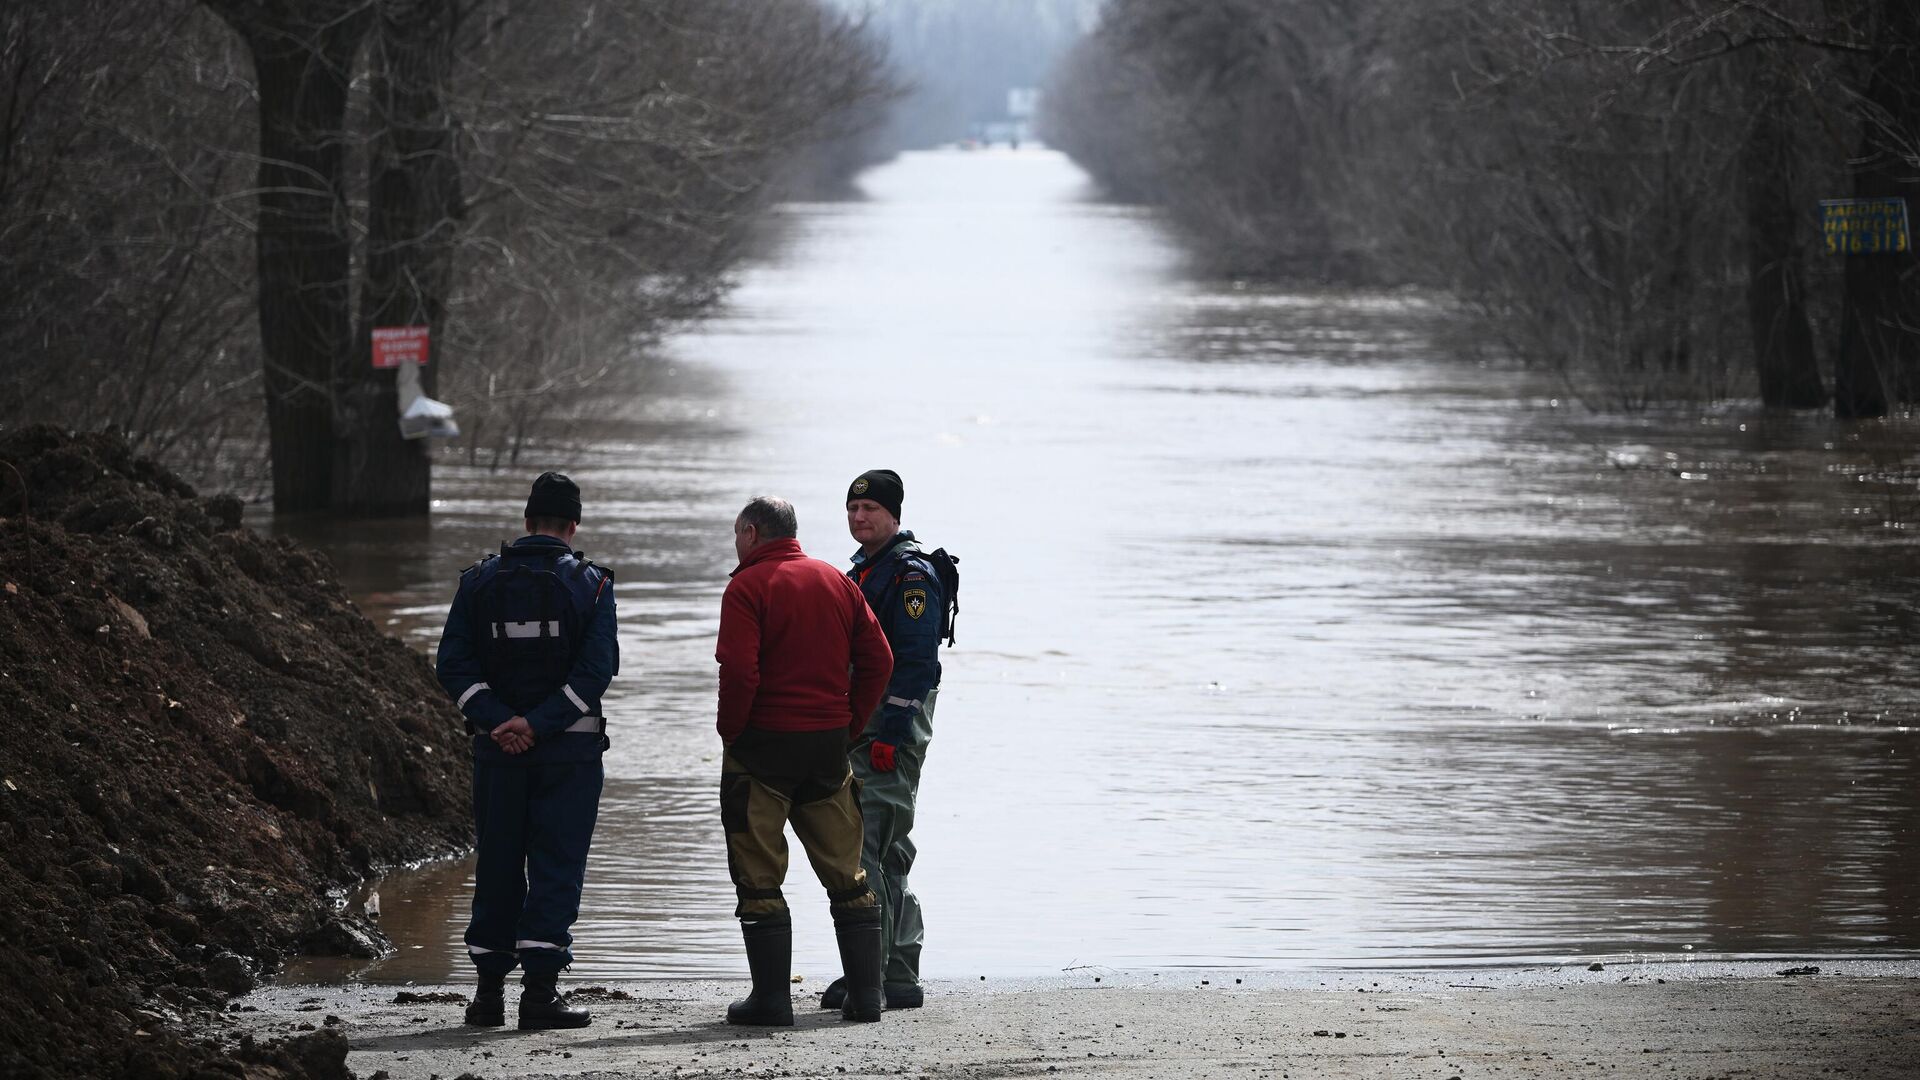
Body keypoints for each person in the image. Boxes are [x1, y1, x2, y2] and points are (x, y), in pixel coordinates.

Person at [435, 472, 617, 1031]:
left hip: (498, 755)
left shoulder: (477, 583)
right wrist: (538, 724)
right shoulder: (591, 586)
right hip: (568, 758)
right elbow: (597, 671)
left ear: (526, 521)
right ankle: (539, 996)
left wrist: (500, 721)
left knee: (497, 865)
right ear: (573, 524)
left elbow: (453, 667)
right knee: (556, 866)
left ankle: (487, 996)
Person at [715, 496, 895, 1025]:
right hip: (826, 748)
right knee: (848, 873)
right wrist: (851, 723)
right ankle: (866, 998)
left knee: (758, 875)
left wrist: (732, 731)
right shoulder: (837, 581)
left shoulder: (746, 586)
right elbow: (879, 659)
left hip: (763, 750)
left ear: (750, 532)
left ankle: (771, 1001)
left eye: (736, 534)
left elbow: (740, 672)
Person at [822, 469, 945, 1011]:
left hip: (890, 729)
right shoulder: (868, 570)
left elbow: (917, 666)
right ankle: (885, 970)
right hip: (866, 727)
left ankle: (879, 973)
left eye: (869, 508)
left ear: (894, 513)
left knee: (869, 845)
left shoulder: (909, 575)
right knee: (883, 845)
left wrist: (891, 736)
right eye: (852, 509)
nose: (858, 517)